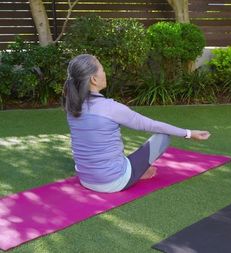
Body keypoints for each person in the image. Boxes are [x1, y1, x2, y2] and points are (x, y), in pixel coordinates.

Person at [63, 54, 210, 193]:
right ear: (94, 79)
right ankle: (135, 173)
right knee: (163, 136)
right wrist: (189, 133)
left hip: (86, 180)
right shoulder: (111, 108)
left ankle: (134, 169)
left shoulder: (72, 107)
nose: (105, 72)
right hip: (114, 182)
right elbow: (153, 125)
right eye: (102, 69)